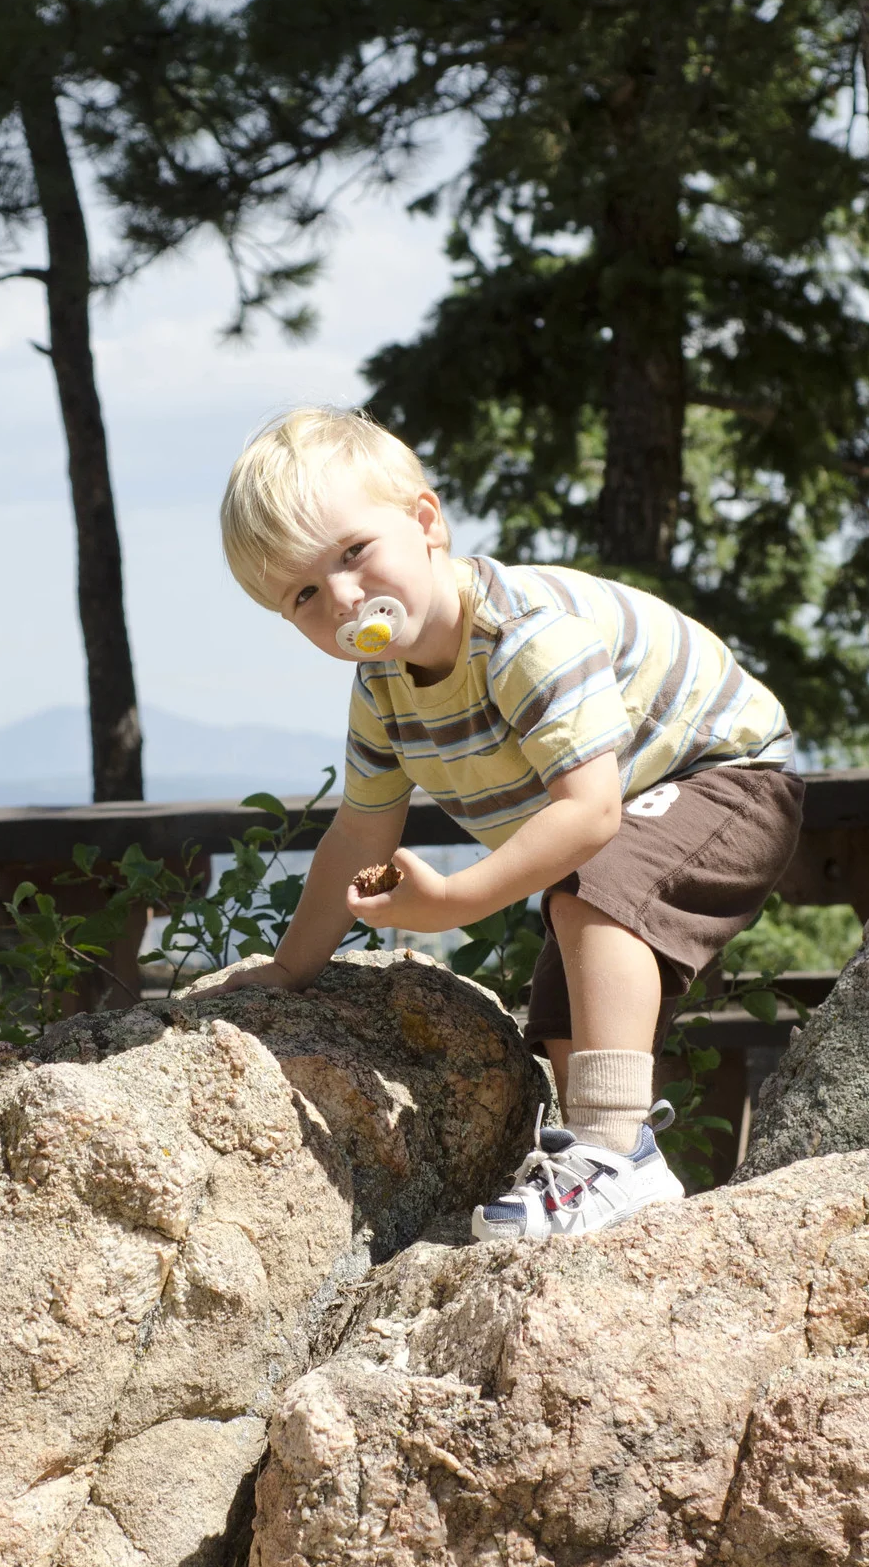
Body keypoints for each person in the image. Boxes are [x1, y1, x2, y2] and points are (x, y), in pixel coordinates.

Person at [196, 406, 803, 1240]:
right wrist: (291, 968)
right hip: (626, 814)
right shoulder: (384, 690)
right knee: (563, 996)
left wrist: (455, 900)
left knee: (596, 887)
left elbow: (590, 813)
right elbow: (359, 835)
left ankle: (613, 1152)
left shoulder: (523, 639)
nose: (342, 596)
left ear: (425, 522)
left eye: (353, 553)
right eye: (303, 593)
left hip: (728, 778)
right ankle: (603, 1168)